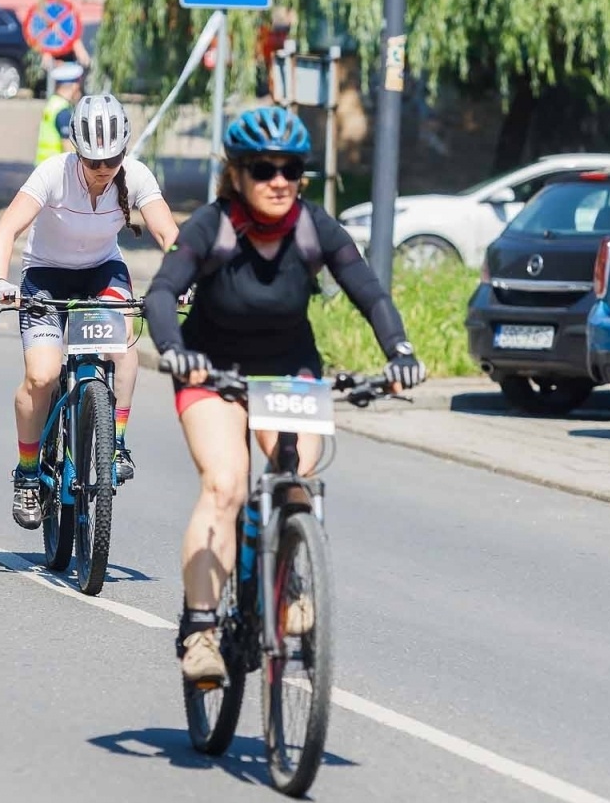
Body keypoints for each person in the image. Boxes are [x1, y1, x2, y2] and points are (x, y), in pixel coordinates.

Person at [142, 107, 426, 684]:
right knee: (224, 483)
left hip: (287, 367)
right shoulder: (211, 226)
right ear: (237, 174)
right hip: (211, 367)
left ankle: (290, 570)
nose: (279, 181)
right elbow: (162, 295)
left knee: (295, 476)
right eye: (264, 168)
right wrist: (174, 348)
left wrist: (399, 352)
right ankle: (200, 631)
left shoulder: (313, 226)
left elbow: (368, 292)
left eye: (291, 169)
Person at [0, 93, 178, 524]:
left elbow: (169, 234)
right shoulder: (52, 174)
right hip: (46, 275)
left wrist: (183, 282)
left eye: (111, 159)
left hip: (101, 272)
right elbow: (7, 228)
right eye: (93, 161)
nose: (102, 169)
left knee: (124, 343)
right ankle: (28, 473)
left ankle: (118, 443)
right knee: (42, 375)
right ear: (76, 151)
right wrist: (0, 280)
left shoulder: (137, 177)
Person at [35, 62, 84, 165]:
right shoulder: (63, 112)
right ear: (74, 86)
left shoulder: (52, 104)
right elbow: (68, 149)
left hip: (43, 167)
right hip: (56, 170)